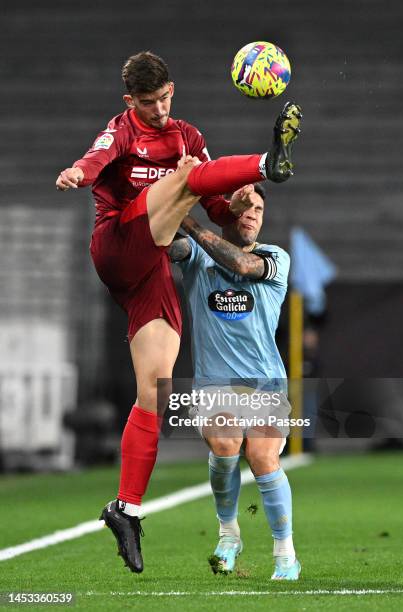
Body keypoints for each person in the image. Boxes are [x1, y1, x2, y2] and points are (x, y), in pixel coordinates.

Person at [55, 50, 302, 574]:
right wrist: (78, 171)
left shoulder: (187, 136)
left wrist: (231, 205)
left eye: (167, 98)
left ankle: (126, 508)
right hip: (120, 243)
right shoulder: (122, 130)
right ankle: (267, 163)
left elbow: (213, 205)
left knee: (154, 391)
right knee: (190, 175)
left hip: (153, 274)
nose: (162, 110)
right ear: (130, 101)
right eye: (150, 102)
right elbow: (98, 157)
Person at [168, 183, 301, 580]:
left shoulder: (274, 257)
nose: (253, 212)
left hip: (266, 385)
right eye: (245, 205)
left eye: (259, 207)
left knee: (262, 459)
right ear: (224, 211)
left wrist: (190, 221)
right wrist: (169, 200)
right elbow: (166, 245)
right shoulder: (194, 257)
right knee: (226, 446)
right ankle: (229, 534)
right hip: (215, 384)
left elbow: (241, 267)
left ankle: (285, 554)